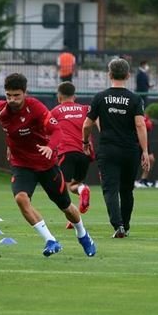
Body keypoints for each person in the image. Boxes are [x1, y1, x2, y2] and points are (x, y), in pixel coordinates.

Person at [0, 73, 96, 257]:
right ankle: (50, 240)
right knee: (21, 199)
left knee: (65, 206)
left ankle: (83, 235)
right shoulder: (0, 109)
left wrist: (50, 147)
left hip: (46, 163)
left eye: (16, 95)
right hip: (21, 164)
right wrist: (10, 146)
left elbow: (56, 130)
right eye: (8, 95)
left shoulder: (36, 108)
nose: (12, 100)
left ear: (25, 93)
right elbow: (10, 131)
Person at [83, 58, 150, 238]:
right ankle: (125, 226)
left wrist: (84, 142)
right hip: (130, 150)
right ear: (128, 75)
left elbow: (86, 125)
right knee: (127, 190)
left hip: (108, 150)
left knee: (110, 189)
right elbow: (140, 125)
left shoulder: (100, 97)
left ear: (109, 74)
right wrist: (144, 151)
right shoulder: (135, 99)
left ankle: (117, 226)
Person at [49, 81, 94, 229]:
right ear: (74, 96)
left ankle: (74, 217)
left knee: (64, 187)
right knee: (76, 183)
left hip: (66, 151)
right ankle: (82, 192)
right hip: (84, 152)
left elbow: (47, 130)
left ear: (59, 96)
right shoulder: (85, 109)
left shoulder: (55, 111)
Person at [136, 114, 157, 188]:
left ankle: (143, 179)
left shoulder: (144, 115)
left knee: (151, 159)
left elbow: (149, 125)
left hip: (144, 142)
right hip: (132, 142)